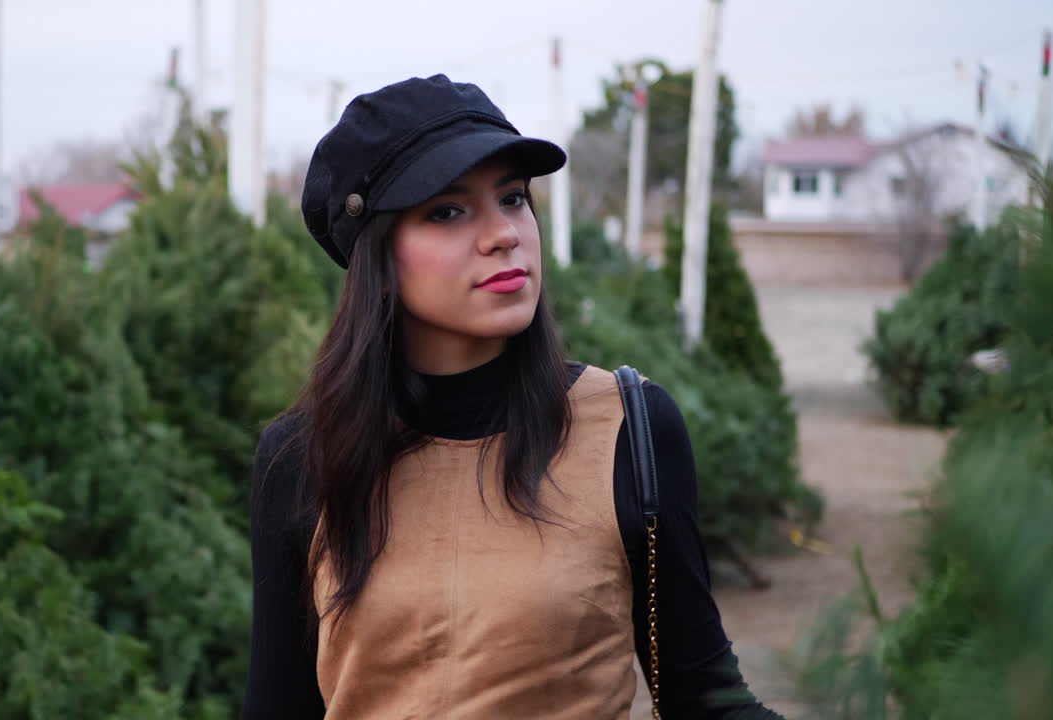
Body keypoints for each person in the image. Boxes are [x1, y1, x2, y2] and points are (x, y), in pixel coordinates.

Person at [242, 74, 781, 720]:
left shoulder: (625, 429)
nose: (504, 234)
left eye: (514, 198)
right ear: (377, 255)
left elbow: (707, 700)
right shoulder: (305, 457)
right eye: (447, 210)